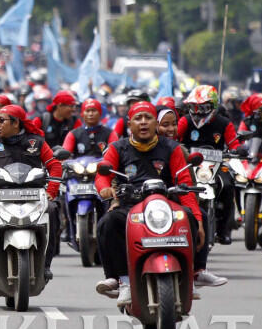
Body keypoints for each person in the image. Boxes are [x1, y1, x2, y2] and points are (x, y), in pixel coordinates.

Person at [93, 102, 205, 306]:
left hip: (167, 206)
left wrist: (197, 220)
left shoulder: (173, 148)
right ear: (129, 124)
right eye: (138, 118)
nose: (143, 123)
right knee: (107, 222)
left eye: (148, 118)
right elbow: (102, 176)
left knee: (194, 216)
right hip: (130, 207)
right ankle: (121, 280)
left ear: (156, 123)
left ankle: (195, 274)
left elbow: (186, 184)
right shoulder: (118, 148)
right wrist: (105, 189)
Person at [0, 104, 62, 278]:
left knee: (52, 210)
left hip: (34, 194)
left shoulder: (36, 142)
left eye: (2, 120)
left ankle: (45, 264)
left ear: (16, 123)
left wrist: (51, 190)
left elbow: (54, 166)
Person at [178, 84, 240, 245]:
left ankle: (224, 230)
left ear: (212, 107)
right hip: (190, 165)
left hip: (216, 165)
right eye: (194, 107)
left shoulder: (224, 123)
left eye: (202, 107)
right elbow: (174, 139)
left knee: (227, 186)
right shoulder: (184, 121)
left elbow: (234, 144)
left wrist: (240, 150)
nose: (197, 112)